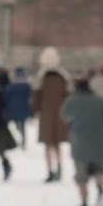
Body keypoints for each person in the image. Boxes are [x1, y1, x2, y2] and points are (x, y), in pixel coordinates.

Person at [61, 71, 103, 206]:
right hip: (99, 143)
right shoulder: (100, 102)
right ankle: (100, 188)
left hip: (80, 143)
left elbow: (64, 116)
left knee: (81, 176)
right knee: (99, 169)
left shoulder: (71, 101)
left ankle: (84, 201)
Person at [33, 47, 71, 183]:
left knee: (48, 145)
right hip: (60, 114)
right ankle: (60, 167)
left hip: (46, 114)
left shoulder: (41, 78)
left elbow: (36, 97)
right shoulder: (63, 77)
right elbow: (68, 96)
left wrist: (35, 111)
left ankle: (50, 170)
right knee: (57, 144)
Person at [4, 67, 32, 149]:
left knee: (18, 125)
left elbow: (7, 96)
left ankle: (21, 139)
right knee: (22, 125)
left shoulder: (12, 86)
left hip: (14, 108)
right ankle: (23, 140)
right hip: (23, 108)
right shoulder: (26, 86)